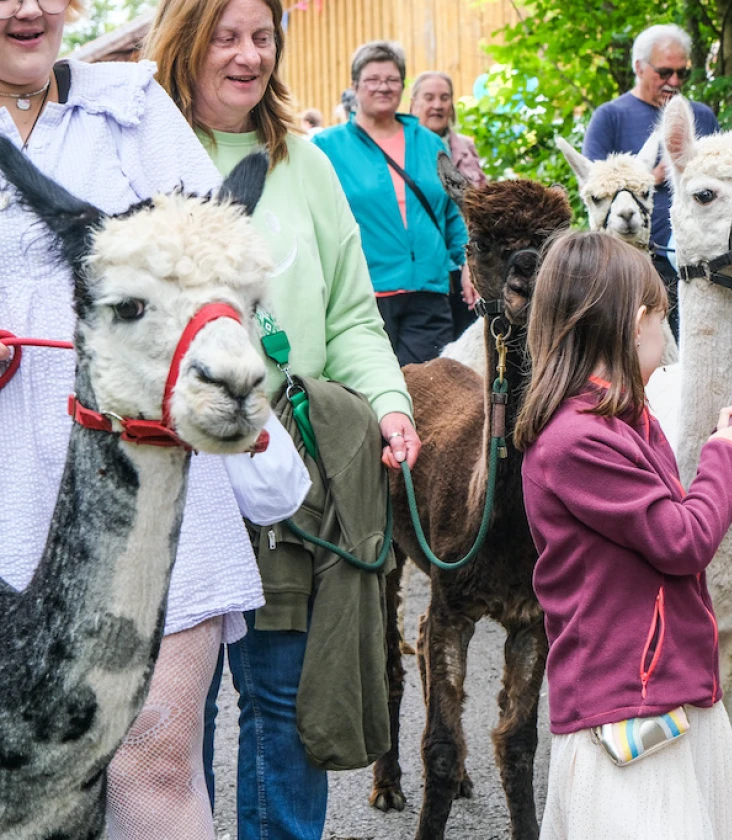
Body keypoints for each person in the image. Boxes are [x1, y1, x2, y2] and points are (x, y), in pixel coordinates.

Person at [0, 1, 295, 838]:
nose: (26, 8)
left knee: (155, 754)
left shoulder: (128, 106)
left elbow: (210, 248)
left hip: (146, 467)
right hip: (8, 470)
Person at [146, 1, 421, 838]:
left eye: (261, 38)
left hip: (282, 466)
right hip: (165, 468)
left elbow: (350, 317)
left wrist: (390, 405)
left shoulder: (304, 163)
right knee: (167, 717)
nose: (247, 55)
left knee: (280, 696)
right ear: (184, 41)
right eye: (225, 37)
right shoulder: (135, 149)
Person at [517, 231, 732, 840]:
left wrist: (730, 461)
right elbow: (681, 540)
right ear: (633, 320)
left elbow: (671, 523)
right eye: (660, 312)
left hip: (666, 689)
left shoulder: (624, 421)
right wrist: (725, 460)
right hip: (626, 700)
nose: (664, 328)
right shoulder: (577, 439)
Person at [314, 41, 469, 366]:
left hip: (427, 291)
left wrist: (469, 262)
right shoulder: (326, 146)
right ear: (355, 86)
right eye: (373, 79)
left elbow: (453, 212)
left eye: (392, 79)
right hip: (363, 296)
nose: (383, 86)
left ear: (402, 86)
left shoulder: (428, 141)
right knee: (371, 399)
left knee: (429, 396)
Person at [583, 23, 719, 337]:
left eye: (682, 73)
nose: (674, 82)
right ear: (639, 67)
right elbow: (593, 185)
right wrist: (649, 178)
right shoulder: (610, 117)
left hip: (698, 265)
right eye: (664, 72)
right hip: (631, 266)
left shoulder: (702, 117)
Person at [409, 69, 485, 336]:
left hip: (467, 263)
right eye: (429, 98)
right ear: (413, 103)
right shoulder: (404, 149)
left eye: (445, 98)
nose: (438, 105)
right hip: (429, 270)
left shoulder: (465, 146)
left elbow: (482, 200)